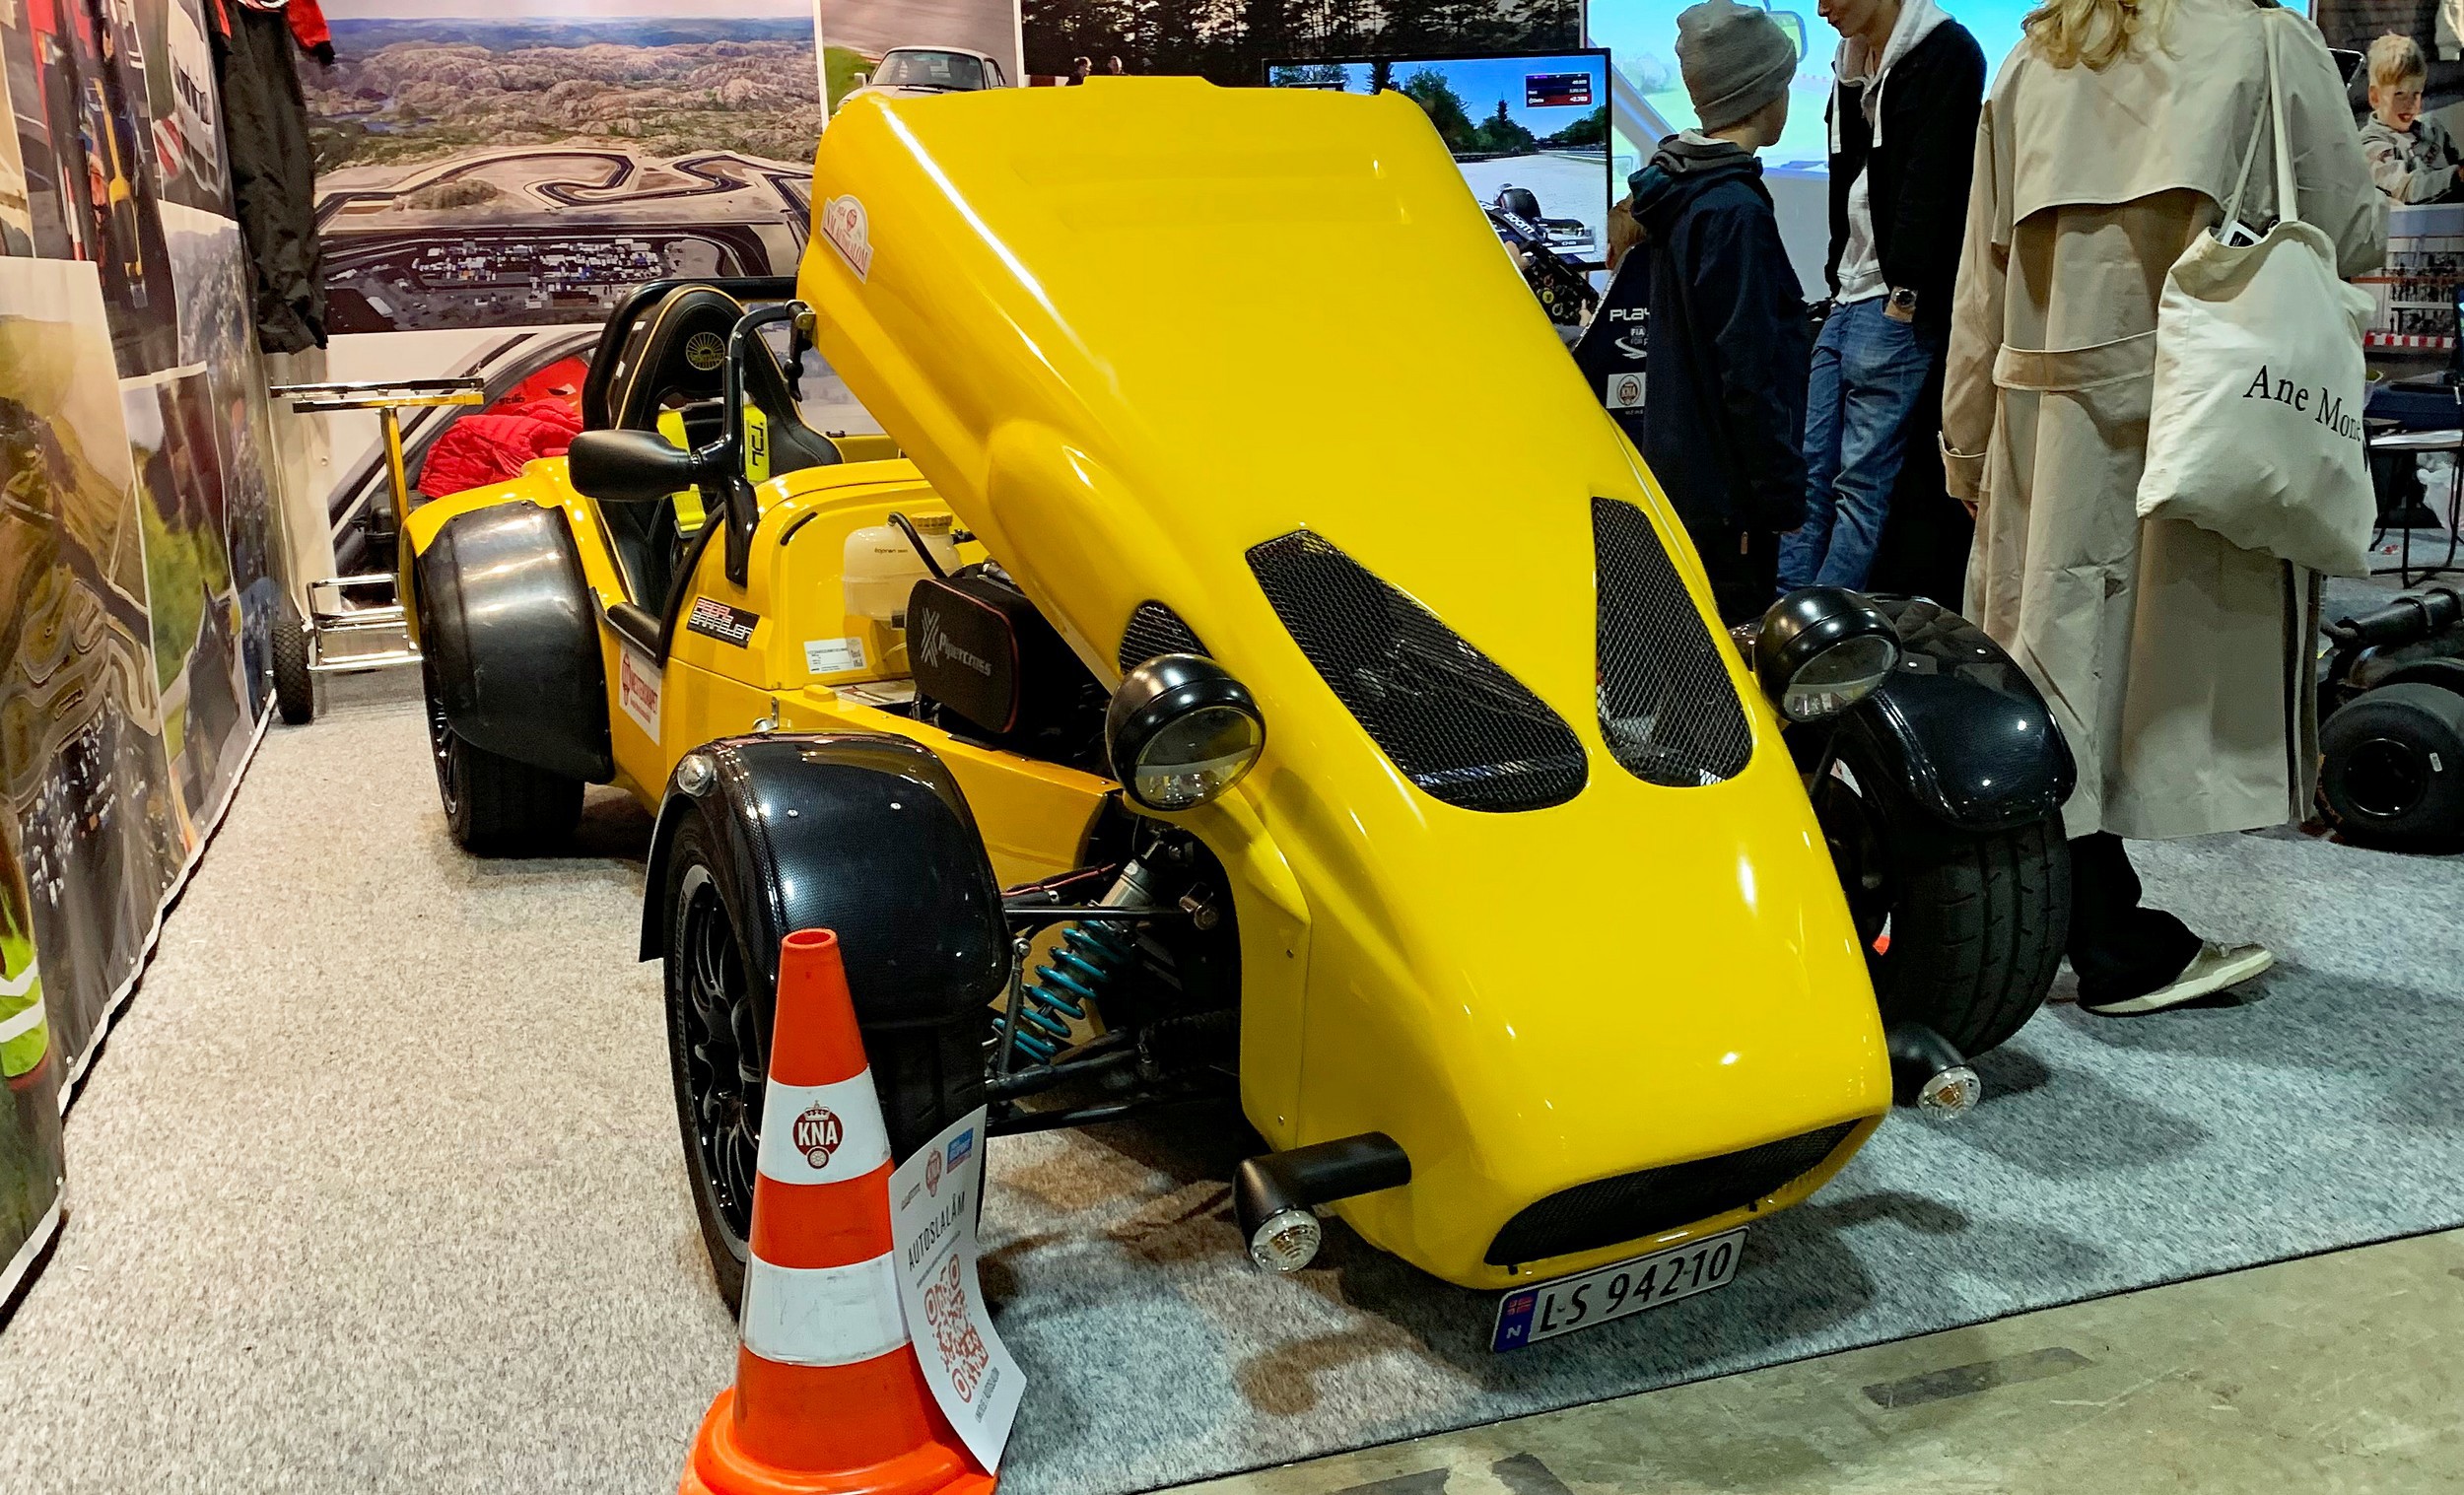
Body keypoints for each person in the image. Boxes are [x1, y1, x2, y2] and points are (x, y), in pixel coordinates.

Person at [1943, 0, 2383, 1015]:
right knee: (2154, 675)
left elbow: (1980, 282)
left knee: (2051, 659)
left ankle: (2082, 915)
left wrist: (1963, 443)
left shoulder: (2032, 63)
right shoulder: (2263, 44)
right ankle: (2109, 935)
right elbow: (2351, 230)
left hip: (2043, 417)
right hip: (2202, 410)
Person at [1577, 0, 1810, 623]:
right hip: (1731, 498)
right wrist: (1779, 495)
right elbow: (1748, 371)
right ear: (1764, 95)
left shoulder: (1680, 195)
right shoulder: (1734, 210)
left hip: (1687, 482)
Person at [1777, 0, 1984, 593]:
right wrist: (1837, 277)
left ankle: (1824, 628)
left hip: (1893, 304)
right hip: (1846, 296)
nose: (1821, 9)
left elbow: (1937, 185)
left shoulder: (1947, 53)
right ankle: (1787, 618)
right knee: (1809, 477)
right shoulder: (1849, 65)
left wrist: (1905, 297)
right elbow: (1850, 182)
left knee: (1860, 488)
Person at [2360, 33, 2463, 201]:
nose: (2410, 104)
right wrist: (2455, 176)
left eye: (2416, 93)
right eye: (2399, 94)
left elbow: (2456, 162)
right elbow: (2406, 188)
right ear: (2375, 97)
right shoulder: (2371, 146)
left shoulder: (2433, 130)